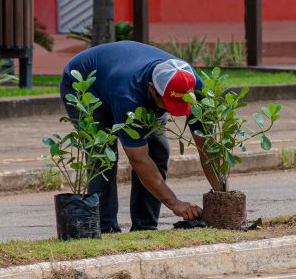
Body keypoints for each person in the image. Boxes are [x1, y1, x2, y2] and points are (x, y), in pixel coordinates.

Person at [58, 41, 224, 233]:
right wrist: (175, 203)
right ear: (153, 89)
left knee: (158, 152)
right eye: (170, 106)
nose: (176, 113)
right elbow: (138, 159)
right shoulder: (127, 94)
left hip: (124, 78)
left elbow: (208, 150)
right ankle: (105, 228)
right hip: (85, 83)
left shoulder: (193, 88)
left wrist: (222, 193)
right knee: (102, 157)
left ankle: (145, 228)